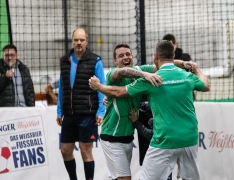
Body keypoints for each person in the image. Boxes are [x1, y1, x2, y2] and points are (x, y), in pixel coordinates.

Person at [89, 40, 210, 180]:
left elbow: (117, 92)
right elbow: (120, 76)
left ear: (155, 56)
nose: (125, 57)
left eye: (128, 54)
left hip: (133, 136)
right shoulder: (115, 73)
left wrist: (184, 63)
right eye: (121, 56)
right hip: (113, 136)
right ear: (115, 60)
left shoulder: (150, 76)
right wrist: (193, 68)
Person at [56, 28, 106, 180]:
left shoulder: (95, 61)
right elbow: (62, 87)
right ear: (73, 41)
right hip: (69, 114)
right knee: (65, 150)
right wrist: (59, 111)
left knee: (85, 151)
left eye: (82, 40)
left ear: (87, 41)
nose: (79, 43)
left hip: (87, 114)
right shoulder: (65, 61)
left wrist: (100, 111)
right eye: (76, 40)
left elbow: (101, 86)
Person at [128, 105, 173, 180]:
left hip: (161, 152)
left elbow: (150, 135)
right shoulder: (139, 100)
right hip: (150, 153)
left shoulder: (164, 107)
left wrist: (135, 121)